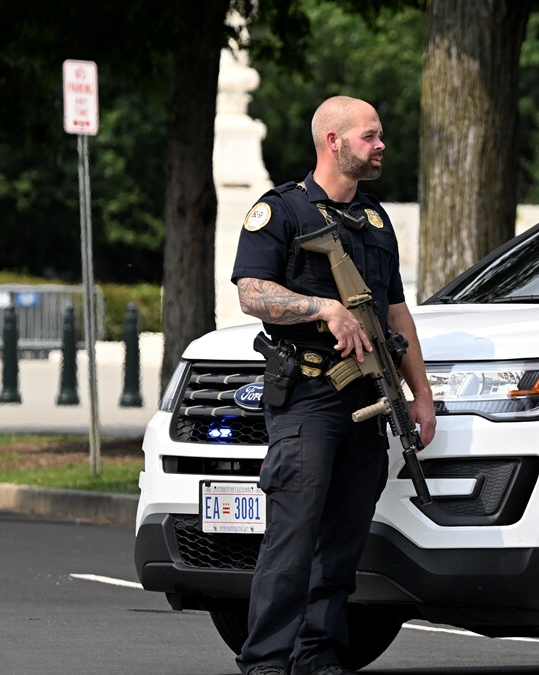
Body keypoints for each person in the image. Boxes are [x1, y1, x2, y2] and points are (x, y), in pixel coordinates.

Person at [231, 95, 436, 675]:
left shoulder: (374, 218)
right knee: (291, 543)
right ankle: (267, 663)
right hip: (309, 399)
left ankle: (319, 657)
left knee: (342, 545)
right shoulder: (283, 213)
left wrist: (420, 395)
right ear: (334, 142)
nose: (380, 146)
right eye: (370, 136)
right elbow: (251, 292)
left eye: (379, 135)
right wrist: (323, 308)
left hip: (370, 398)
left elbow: (396, 314)